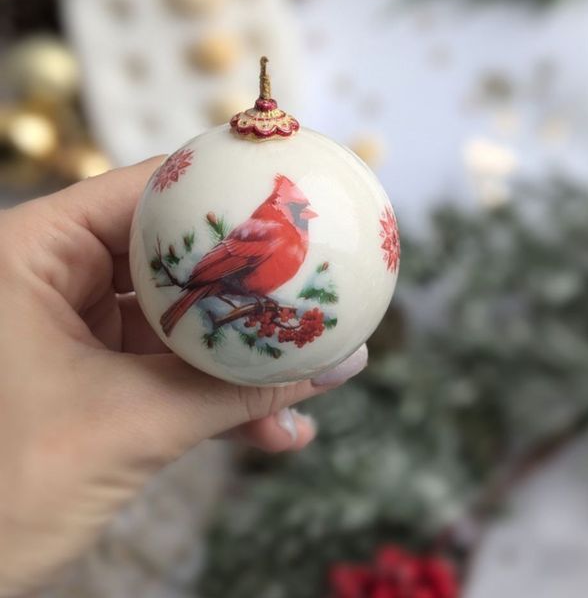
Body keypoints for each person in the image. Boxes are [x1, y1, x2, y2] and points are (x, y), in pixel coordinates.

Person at [0, 158, 368, 597]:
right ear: (280, 210)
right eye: (297, 209)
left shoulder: (278, 231)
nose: (305, 214)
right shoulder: (270, 231)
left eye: (303, 208)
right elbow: (227, 266)